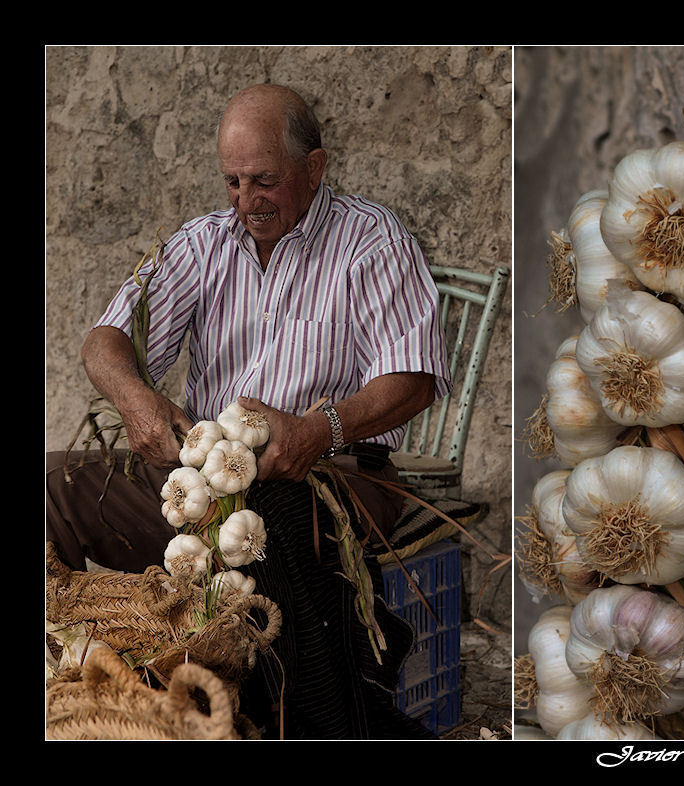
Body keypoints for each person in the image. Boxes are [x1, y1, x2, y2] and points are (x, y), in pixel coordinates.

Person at [46, 83, 452, 739]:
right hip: (203, 476)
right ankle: (77, 689)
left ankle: (290, 717)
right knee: (51, 489)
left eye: (263, 180)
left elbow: (414, 381)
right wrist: (138, 400)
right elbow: (106, 341)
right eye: (232, 182)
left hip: (335, 473)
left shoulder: (371, 240)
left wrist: (322, 428)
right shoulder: (202, 243)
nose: (245, 201)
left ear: (313, 169)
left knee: (262, 526)